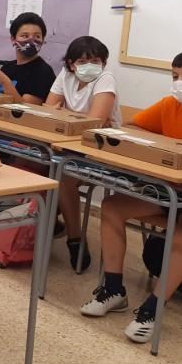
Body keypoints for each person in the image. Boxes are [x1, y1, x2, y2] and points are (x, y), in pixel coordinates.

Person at [80, 51, 182, 344]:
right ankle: (113, 290)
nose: (179, 83)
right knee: (112, 206)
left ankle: (152, 310)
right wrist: (166, 143)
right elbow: (131, 127)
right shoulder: (169, 105)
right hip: (176, 189)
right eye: (175, 76)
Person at [45, 36, 121, 271]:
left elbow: (94, 123)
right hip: (69, 144)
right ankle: (44, 224)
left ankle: (75, 239)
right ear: (71, 64)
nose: (90, 66)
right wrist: (75, 119)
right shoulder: (66, 75)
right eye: (82, 61)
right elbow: (47, 108)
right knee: (43, 164)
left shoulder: (105, 78)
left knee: (63, 174)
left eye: (96, 61)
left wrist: (65, 114)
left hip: (103, 149)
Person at [0, 12, 55, 105]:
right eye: (25, 36)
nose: (31, 40)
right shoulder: (7, 67)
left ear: (43, 40)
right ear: (13, 39)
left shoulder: (44, 72)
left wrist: (4, 81)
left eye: (37, 36)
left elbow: (26, 109)